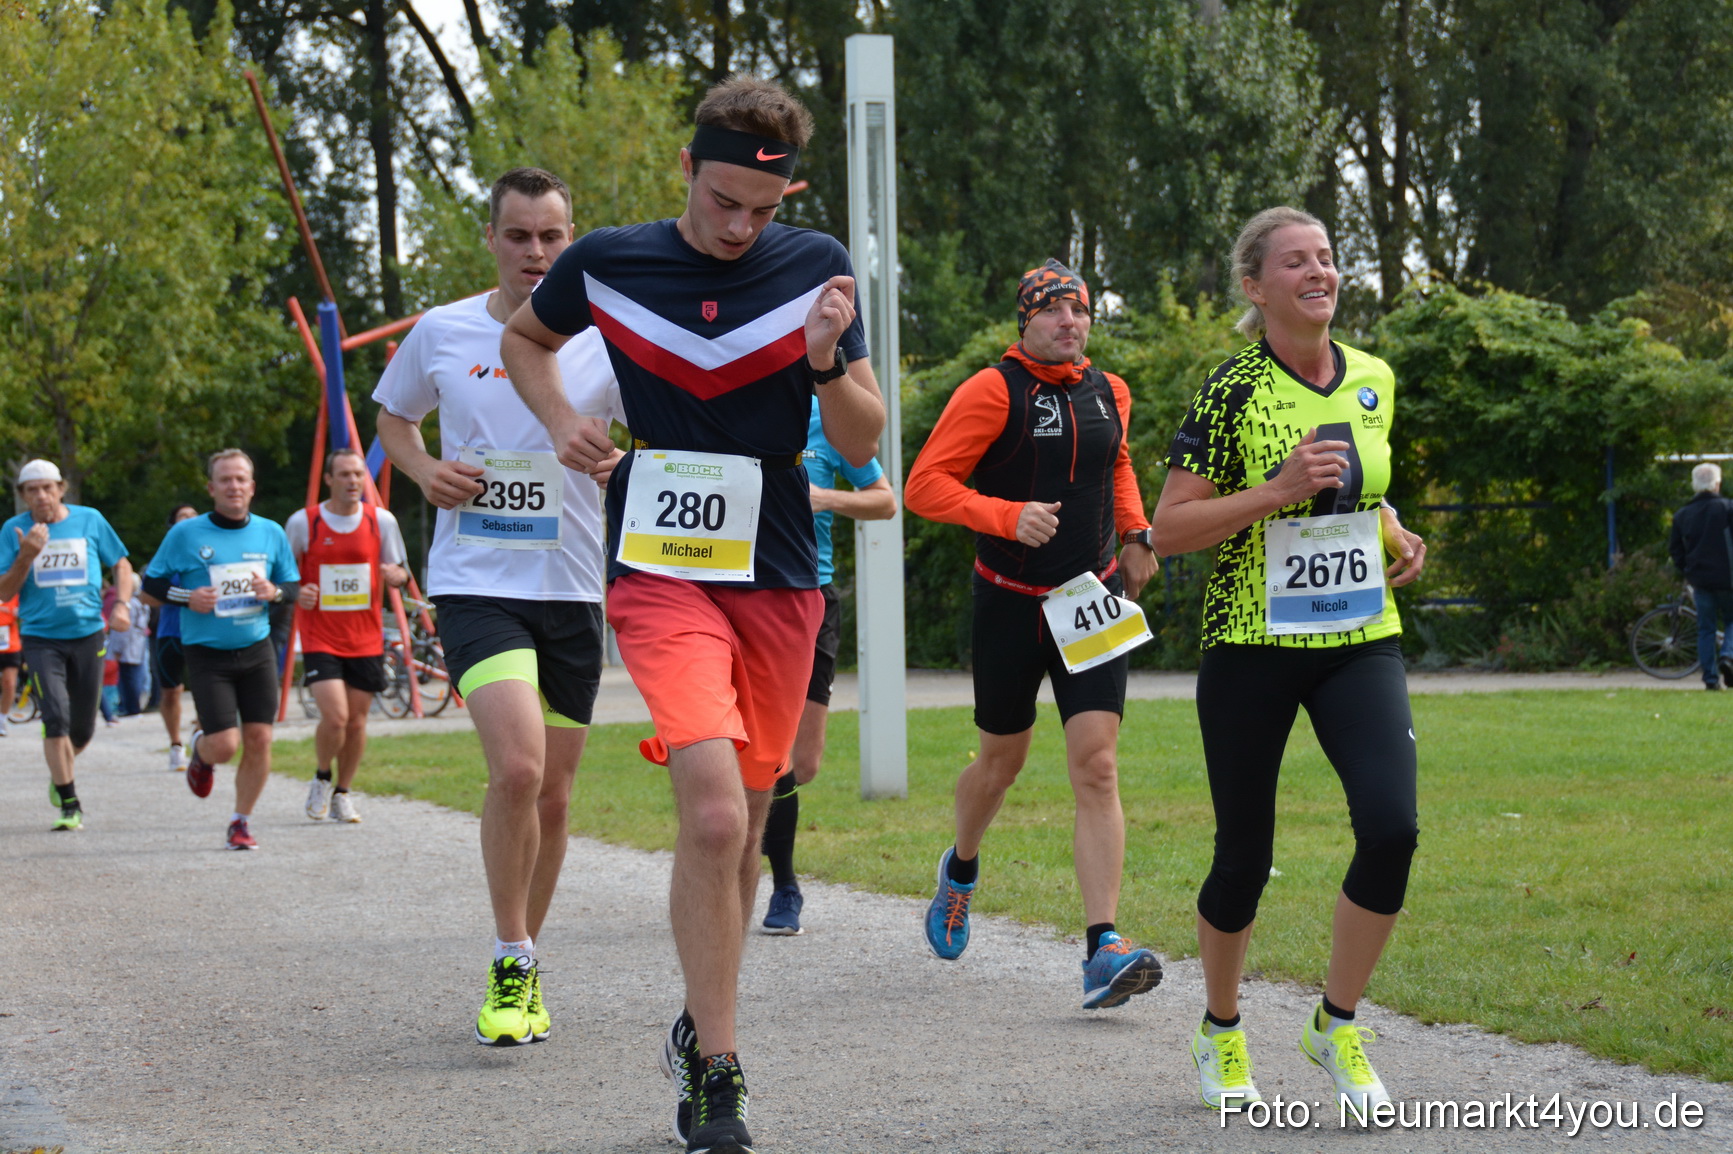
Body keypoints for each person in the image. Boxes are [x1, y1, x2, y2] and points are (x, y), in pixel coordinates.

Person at [500, 76, 885, 1154]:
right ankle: (719, 1071)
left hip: (778, 577)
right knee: (712, 816)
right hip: (660, 570)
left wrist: (821, 359)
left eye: (759, 209)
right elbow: (526, 342)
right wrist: (563, 417)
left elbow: (860, 441)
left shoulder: (815, 267)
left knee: (751, 828)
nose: (737, 227)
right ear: (687, 170)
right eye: (722, 201)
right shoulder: (608, 261)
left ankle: (695, 1018)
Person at [1149, 206, 1426, 1114]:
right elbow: (1170, 528)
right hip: (1252, 643)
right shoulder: (1229, 391)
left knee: (1392, 828)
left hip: (1359, 639)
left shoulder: (1375, 377)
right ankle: (1221, 1031)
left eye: (1328, 259)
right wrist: (1271, 493)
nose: (1320, 273)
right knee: (1243, 856)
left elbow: (1364, 489)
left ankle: (1335, 1023)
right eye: (1296, 263)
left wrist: (1393, 531)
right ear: (1254, 286)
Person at [374, 166, 625, 1049]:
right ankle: (511, 955)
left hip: (571, 587)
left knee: (553, 796)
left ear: (572, 239)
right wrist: (421, 471)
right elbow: (394, 421)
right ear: (491, 238)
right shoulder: (443, 330)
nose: (535, 252)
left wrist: (615, 461)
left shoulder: (604, 334)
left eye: (551, 236)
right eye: (518, 236)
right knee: (516, 769)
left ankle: (524, 964)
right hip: (477, 584)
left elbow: (657, 433)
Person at [903, 259, 1164, 1011]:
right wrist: (1003, 515)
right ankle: (960, 868)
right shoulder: (992, 390)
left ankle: (1102, 947)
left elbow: (1113, 464)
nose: (1068, 322)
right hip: (1012, 602)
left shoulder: (1108, 390)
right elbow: (925, 486)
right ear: (1025, 320)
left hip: (1091, 597)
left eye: (1077, 310)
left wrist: (1136, 530)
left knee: (1098, 765)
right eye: (1051, 311)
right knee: (1000, 764)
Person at [758, 398, 896, 935]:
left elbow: (884, 500)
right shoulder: (734, 407)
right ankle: (783, 885)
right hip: (746, 594)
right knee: (769, 756)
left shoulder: (828, 417)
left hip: (812, 594)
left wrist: (823, 498)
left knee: (803, 762)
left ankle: (750, 849)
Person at [142, 449, 299, 851]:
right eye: (225, 480)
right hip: (207, 652)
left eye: (241, 479)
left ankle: (240, 821)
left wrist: (275, 592)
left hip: (256, 646)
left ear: (252, 486)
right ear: (212, 488)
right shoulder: (186, 533)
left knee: (261, 737)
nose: (234, 486)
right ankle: (200, 750)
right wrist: (186, 596)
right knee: (225, 745)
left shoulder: (270, 532)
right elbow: (151, 586)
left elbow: (293, 587)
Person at [0, 459, 135, 831]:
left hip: (88, 634)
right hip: (42, 637)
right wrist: (27, 554)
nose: (41, 496)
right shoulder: (13, 530)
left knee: (83, 730)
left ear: (62, 488)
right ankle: (69, 802)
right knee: (55, 717)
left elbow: (122, 566)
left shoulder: (89, 519)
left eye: (48, 487)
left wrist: (121, 604)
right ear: (23, 496)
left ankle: (59, 771)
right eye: (32, 490)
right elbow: (4, 591)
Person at [287, 447, 411, 823]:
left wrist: (396, 577)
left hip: (366, 637)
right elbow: (282, 576)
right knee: (337, 717)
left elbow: (402, 572)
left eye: (359, 474)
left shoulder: (381, 521)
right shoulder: (304, 523)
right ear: (329, 480)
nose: (353, 481)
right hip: (320, 636)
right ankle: (322, 777)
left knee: (357, 722)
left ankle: (344, 792)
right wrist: (298, 592)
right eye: (344, 474)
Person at [1667, 462, 1733, 690]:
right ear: (1717, 483)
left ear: (1694, 485)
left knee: (1705, 628)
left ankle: (1710, 679)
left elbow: (1676, 550)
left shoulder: (1682, 514)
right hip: (1729, 578)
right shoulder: (1728, 508)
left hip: (1700, 580)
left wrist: (1687, 569)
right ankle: (1728, 655)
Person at [151, 504, 199, 770]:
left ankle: (200, 737)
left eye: (194, 517)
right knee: (171, 692)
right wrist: (188, 597)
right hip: (170, 631)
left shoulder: (211, 552)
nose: (189, 521)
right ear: (172, 525)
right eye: (183, 517)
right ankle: (175, 745)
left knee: (208, 689)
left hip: (203, 631)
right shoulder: (166, 555)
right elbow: (149, 594)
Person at [0, 593, 20, 737]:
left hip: (10, 645)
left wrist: (15, 612)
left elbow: (26, 612)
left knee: (10, 684)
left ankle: (2, 719)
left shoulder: (14, 591)